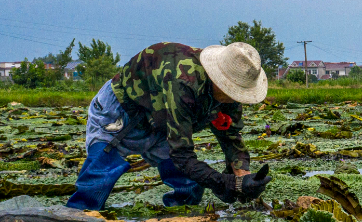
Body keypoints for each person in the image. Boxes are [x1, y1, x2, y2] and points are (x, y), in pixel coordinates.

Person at [66, 41, 272, 211]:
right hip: (123, 110)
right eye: (233, 92)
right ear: (218, 80)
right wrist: (224, 183)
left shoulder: (230, 96)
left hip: (161, 120)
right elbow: (182, 155)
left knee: (190, 187)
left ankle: (175, 218)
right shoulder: (184, 82)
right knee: (98, 180)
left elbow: (230, 135)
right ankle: (74, 219)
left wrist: (241, 174)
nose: (235, 98)